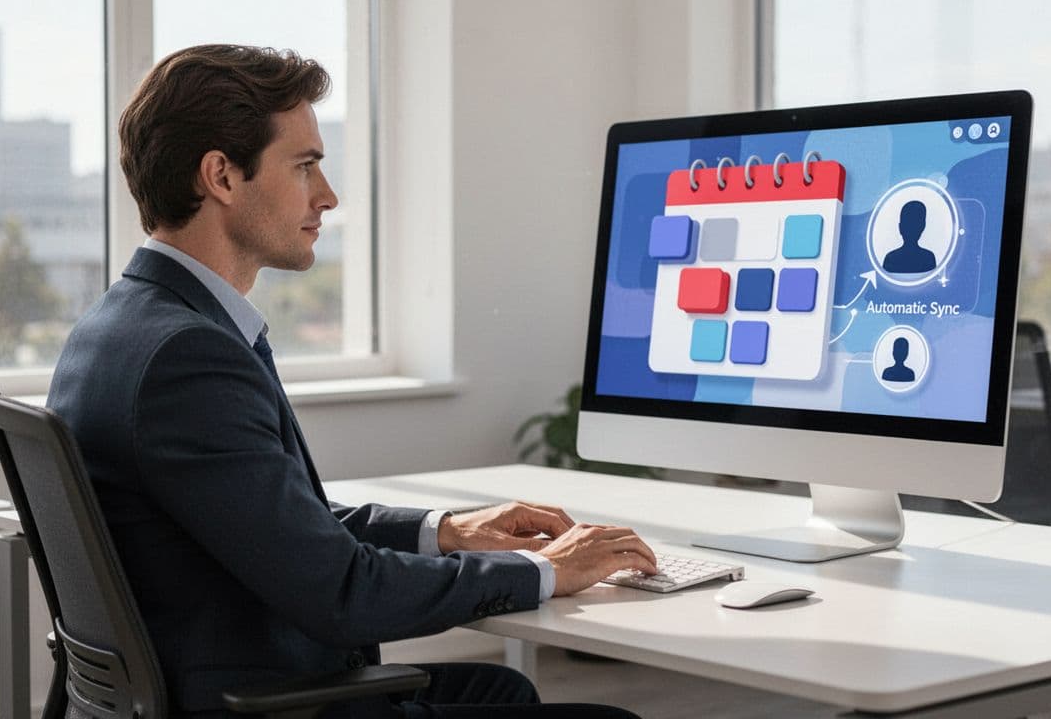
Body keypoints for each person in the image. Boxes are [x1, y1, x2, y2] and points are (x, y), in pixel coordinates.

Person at [47, 44, 658, 719]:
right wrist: (546, 569)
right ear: (221, 175)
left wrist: (447, 530)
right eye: (304, 165)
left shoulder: (120, 325)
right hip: (258, 700)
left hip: (212, 683)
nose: (327, 196)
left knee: (501, 688)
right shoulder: (186, 356)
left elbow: (275, 524)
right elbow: (342, 592)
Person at [881, 200, 937, 274]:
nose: (911, 229)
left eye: (915, 224)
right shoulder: (891, 258)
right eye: (908, 224)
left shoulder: (928, 258)